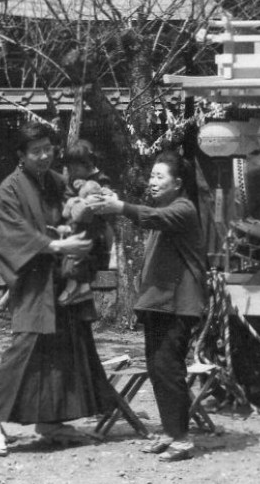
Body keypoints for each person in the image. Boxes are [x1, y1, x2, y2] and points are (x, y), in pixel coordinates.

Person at [0, 124, 116, 457]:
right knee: (24, 346)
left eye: (48, 149)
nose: (43, 156)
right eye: (35, 151)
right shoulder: (10, 188)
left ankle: (50, 421)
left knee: (65, 347)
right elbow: (10, 233)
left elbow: (77, 210)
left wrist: (93, 214)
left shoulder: (56, 181)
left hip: (65, 277)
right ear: (21, 156)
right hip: (35, 279)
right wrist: (55, 245)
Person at [89, 150, 207, 462]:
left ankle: (182, 438)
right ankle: (170, 431)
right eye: (152, 176)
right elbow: (147, 213)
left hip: (179, 303)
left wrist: (119, 206)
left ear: (178, 183)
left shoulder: (183, 209)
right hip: (158, 303)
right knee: (157, 368)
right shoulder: (163, 206)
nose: (152, 182)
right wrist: (117, 203)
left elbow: (152, 217)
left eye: (159, 176)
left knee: (169, 369)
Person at [56, 140, 117, 308]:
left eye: (76, 168)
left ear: (88, 164)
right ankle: (79, 287)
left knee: (78, 252)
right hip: (75, 226)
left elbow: (105, 200)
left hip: (95, 231)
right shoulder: (73, 181)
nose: (72, 172)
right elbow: (67, 202)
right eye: (69, 168)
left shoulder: (100, 180)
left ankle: (75, 286)